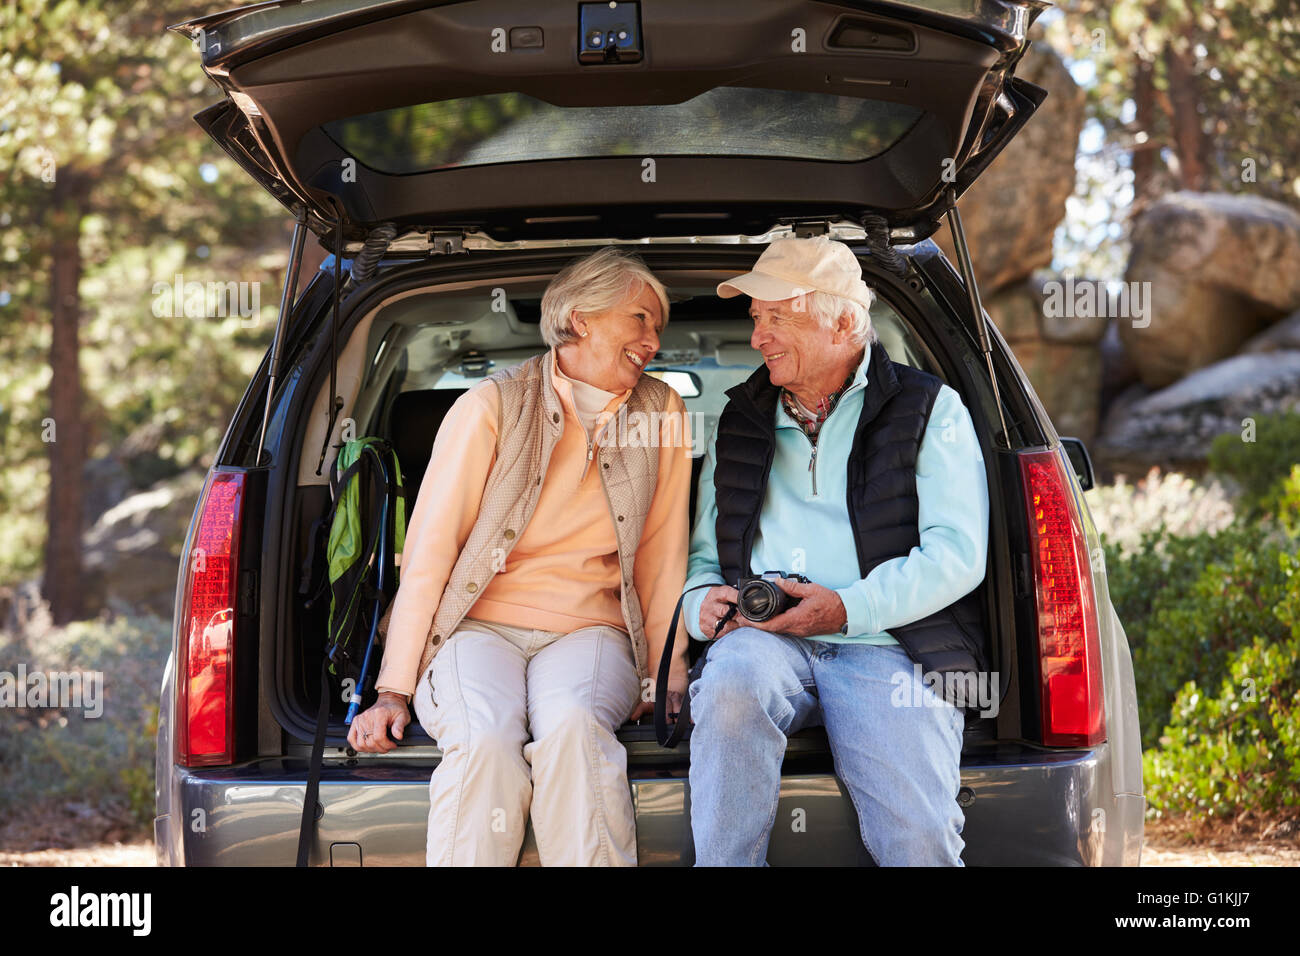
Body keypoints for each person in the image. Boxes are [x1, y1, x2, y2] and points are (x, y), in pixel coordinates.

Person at [349, 247, 692, 866]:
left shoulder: (662, 410)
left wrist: (665, 674)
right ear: (581, 317)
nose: (653, 340)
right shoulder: (492, 404)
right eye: (641, 318)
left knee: (573, 730)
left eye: (658, 326)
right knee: (482, 738)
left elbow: (662, 556)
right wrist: (393, 690)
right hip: (474, 627)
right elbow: (430, 551)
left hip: (592, 629)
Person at [682, 235, 990, 866]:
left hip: (891, 645)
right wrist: (699, 606)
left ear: (845, 320)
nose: (757, 338)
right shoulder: (739, 418)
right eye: (757, 320)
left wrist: (846, 609)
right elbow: (705, 557)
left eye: (776, 317)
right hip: (765, 639)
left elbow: (957, 554)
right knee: (731, 682)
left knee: (919, 842)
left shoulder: (931, 409)